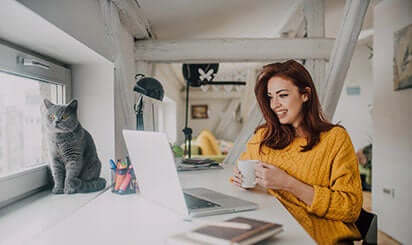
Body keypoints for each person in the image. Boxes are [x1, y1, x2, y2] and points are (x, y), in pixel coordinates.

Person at [232, 60, 362, 244]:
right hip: (271, 227)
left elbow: (350, 208)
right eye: (270, 97)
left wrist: (288, 183)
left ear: (305, 95)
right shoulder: (263, 136)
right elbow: (241, 172)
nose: (274, 104)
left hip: (318, 235)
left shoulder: (335, 139)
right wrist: (241, 179)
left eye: (282, 95)